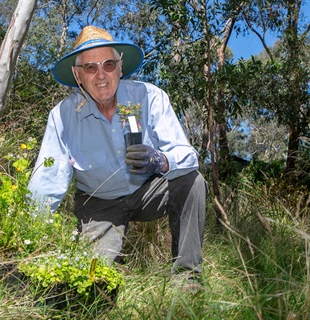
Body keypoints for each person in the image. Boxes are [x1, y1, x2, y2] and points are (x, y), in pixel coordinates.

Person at [27, 26, 207, 291]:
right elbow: (48, 180)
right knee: (94, 283)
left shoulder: (149, 97)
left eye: (108, 65)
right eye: (90, 68)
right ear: (78, 75)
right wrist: (29, 233)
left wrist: (160, 161)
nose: (101, 75)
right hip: (99, 204)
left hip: (148, 190)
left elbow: (188, 156)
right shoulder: (62, 116)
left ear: (120, 68)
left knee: (191, 181)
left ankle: (187, 279)